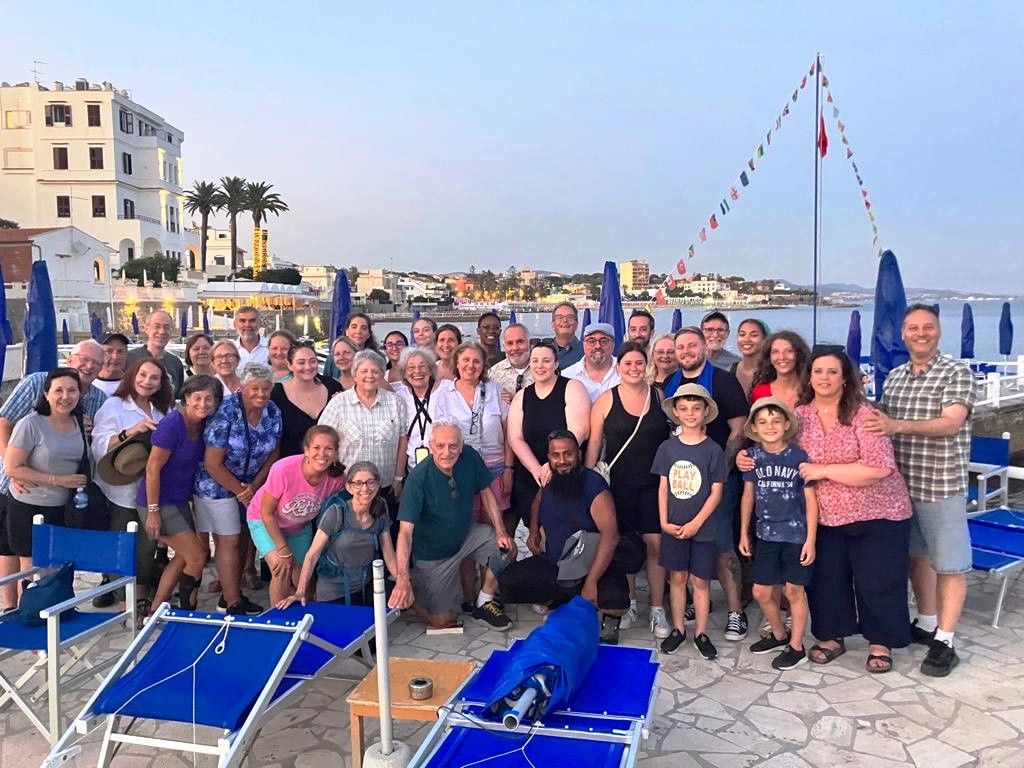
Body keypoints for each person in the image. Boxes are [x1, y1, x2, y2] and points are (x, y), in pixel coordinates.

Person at [862, 304, 977, 677]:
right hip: (898, 490)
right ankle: (927, 621)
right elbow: (877, 421)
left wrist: (897, 425)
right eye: (913, 327)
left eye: (928, 327)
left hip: (940, 485)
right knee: (917, 558)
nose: (921, 333)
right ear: (904, 334)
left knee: (950, 565)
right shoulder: (894, 377)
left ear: (938, 332)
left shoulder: (955, 372)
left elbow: (950, 424)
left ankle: (945, 639)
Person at [794, 346, 913, 673]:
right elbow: (778, 447)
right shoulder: (800, 414)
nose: (824, 378)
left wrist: (823, 471)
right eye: (818, 371)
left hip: (877, 512)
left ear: (846, 377)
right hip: (824, 515)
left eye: (832, 371)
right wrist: (751, 459)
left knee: (877, 579)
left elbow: (878, 467)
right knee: (827, 579)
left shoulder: (864, 414)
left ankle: (879, 641)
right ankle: (832, 636)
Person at [493, 431, 636, 644]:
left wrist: (592, 582)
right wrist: (533, 532)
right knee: (508, 584)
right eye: (555, 455)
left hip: (592, 566)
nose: (561, 460)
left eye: (568, 454)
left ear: (578, 454)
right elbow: (537, 503)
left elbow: (611, 537)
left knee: (617, 602)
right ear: (549, 457)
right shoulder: (550, 478)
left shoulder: (594, 486)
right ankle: (566, 600)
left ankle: (605, 615)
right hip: (557, 563)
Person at [0, 340, 107, 609]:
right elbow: (3, 423)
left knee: (54, 561)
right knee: (13, 554)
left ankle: (52, 608)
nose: (89, 366)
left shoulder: (96, 401)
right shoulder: (36, 385)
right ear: (70, 358)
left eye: (96, 363)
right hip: (19, 491)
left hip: (62, 502)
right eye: (84, 359)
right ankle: (15, 610)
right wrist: (15, 470)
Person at [664, 327, 750, 642]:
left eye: (692, 345)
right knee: (685, 543)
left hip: (718, 479)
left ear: (704, 347)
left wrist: (721, 473)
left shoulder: (724, 381)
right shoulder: (670, 383)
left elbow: (739, 430)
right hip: (681, 482)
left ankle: (736, 612)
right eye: (680, 347)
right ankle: (699, 601)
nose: (686, 351)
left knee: (723, 548)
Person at [391, 420, 514, 632]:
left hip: (465, 537)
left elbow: (486, 492)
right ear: (431, 446)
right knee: (441, 622)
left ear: (462, 444)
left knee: (507, 548)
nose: (447, 452)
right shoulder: (418, 479)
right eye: (440, 446)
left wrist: (501, 531)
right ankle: (409, 589)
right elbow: (405, 532)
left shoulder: (469, 456)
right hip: (434, 555)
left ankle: (484, 602)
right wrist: (401, 576)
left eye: (453, 446)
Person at [585, 342, 670, 639]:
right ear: (619, 368)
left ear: (646, 366)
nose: (633, 369)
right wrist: (589, 480)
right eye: (627, 364)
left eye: (638, 363)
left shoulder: (659, 397)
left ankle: (657, 607)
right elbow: (594, 443)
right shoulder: (606, 400)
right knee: (625, 546)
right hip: (618, 485)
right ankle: (630, 600)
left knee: (655, 545)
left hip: (654, 484)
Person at [194, 363, 282, 614]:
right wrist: (240, 490)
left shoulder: (273, 411)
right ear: (242, 386)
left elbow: (274, 451)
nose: (261, 394)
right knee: (229, 540)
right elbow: (212, 462)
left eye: (266, 389)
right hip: (216, 484)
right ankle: (231, 600)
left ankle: (235, 589)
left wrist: (254, 486)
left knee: (244, 535)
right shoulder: (225, 411)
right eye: (254, 388)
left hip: (254, 484)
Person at [738, 397, 818, 670]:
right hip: (765, 534)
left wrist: (811, 539)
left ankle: (796, 646)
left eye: (775, 421)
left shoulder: (798, 456)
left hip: (795, 535)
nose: (769, 426)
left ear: (786, 425)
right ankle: (779, 634)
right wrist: (743, 532)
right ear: (755, 428)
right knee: (761, 591)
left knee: (794, 591)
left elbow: (810, 500)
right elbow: (748, 496)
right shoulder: (752, 458)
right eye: (763, 422)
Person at [91, 358, 173, 611]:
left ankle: (138, 597)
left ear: (161, 384)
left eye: (154, 378)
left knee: (146, 546)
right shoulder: (114, 406)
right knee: (122, 545)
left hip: (148, 489)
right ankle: (123, 600)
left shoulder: (161, 410)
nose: (147, 381)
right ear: (132, 376)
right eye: (142, 375)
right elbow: (99, 444)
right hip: (118, 487)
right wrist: (131, 432)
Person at [652, 385, 727, 659]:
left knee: (701, 580)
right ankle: (679, 629)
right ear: (676, 412)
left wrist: (696, 523)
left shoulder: (713, 450)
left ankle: (701, 632)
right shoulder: (667, 448)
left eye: (696, 408)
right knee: (677, 577)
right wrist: (663, 520)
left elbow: (716, 492)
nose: (690, 414)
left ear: (706, 411)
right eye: (683, 409)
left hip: (703, 528)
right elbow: (663, 486)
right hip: (673, 525)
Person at [141, 375, 222, 614]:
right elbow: (152, 468)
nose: (203, 404)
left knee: (184, 557)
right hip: (158, 501)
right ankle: (188, 610)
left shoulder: (203, 424)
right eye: (197, 398)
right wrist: (153, 512)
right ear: (186, 398)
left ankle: (157, 609)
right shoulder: (172, 425)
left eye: (209, 399)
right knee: (197, 556)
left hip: (179, 500)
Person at [276, 461, 402, 607]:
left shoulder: (380, 509)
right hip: (334, 589)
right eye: (358, 483)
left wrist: (401, 582)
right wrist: (300, 592)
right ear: (349, 487)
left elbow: (388, 552)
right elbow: (312, 555)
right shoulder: (336, 513)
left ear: (378, 485)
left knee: (400, 602)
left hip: (365, 586)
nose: (365, 488)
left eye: (370, 482)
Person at [247, 426, 346, 604]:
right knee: (282, 568)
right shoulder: (283, 469)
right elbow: (266, 511)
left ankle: (305, 614)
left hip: (299, 525)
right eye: (316, 448)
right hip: (264, 520)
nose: (322, 454)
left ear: (336, 453)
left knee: (304, 574)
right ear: (306, 450)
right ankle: (279, 622)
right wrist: (282, 549)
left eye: (329, 448)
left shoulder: (337, 480)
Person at [4, 368, 89, 573]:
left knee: (60, 569)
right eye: (58, 390)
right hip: (30, 508)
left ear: (80, 393)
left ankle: (58, 606)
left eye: (72, 390)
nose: (65, 396)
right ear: (46, 394)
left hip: (65, 509)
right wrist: (57, 480)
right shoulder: (30, 424)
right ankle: (29, 606)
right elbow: (12, 467)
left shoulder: (80, 423)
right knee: (33, 571)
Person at [507, 342, 591, 530]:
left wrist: (553, 465)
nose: (540, 365)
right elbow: (515, 438)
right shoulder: (522, 396)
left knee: (564, 531)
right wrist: (537, 469)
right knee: (535, 530)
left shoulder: (572, 388)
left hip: (564, 471)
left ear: (555, 363)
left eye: (546, 361)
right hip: (531, 474)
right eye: (535, 361)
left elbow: (579, 430)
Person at [318, 350, 409, 516]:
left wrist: (398, 479)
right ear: (354, 375)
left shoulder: (396, 403)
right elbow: (322, 441)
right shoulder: (338, 403)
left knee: (385, 533)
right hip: (347, 486)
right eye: (364, 371)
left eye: (375, 371)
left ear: (382, 374)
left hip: (384, 486)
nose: (370, 376)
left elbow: (403, 441)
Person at [271, 342, 342, 458]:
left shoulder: (333, 387)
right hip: (291, 464)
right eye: (301, 362)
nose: (308, 367)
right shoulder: (276, 394)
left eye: (312, 361)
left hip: (328, 464)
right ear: (289, 365)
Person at [391, 347, 438, 473]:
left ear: (430, 370)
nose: (417, 371)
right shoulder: (399, 395)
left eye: (422, 366)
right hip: (412, 469)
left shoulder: (446, 391)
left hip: (442, 466)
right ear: (404, 373)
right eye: (411, 367)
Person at [126, 310, 185, 394]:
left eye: (166, 327)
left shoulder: (175, 363)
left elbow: (178, 397)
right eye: (156, 326)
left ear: (171, 330)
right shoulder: (130, 358)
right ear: (146, 328)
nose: (162, 331)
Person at [562, 323, 621, 402]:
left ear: (613, 345)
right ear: (583, 345)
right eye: (591, 341)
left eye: (604, 341)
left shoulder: (627, 371)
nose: (597, 346)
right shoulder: (567, 376)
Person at [750, 331, 810, 408]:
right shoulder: (760, 392)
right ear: (769, 358)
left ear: (799, 355)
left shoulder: (810, 391)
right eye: (775, 352)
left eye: (789, 351)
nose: (782, 357)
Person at [488, 323, 534, 402]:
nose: (515, 348)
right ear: (504, 346)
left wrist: (515, 400)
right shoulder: (493, 374)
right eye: (510, 343)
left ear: (529, 343)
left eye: (520, 342)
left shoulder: (542, 370)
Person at [732, 319, 769, 397]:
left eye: (754, 335)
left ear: (765, 340)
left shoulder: (773, 372)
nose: (746, 339)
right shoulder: (730, 371)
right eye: (742, 335)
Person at [94, 332, 131, 396]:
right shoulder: (88, 384)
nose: (115, 357)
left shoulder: (134, 385)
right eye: (109, 351)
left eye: (120, 351)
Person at [233, 305, 268, 371]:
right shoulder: (230, 349)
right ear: (235, 324)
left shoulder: (271, 348)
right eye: (242, 321)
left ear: (260, 324)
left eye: (252, 321)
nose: (247, 325)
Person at [550, 302, 583, 368]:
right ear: (552, 325)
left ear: (576, 324)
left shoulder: (587, 352)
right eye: (560, 317)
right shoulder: (544, 352)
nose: (565, 320)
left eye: (570, 317)